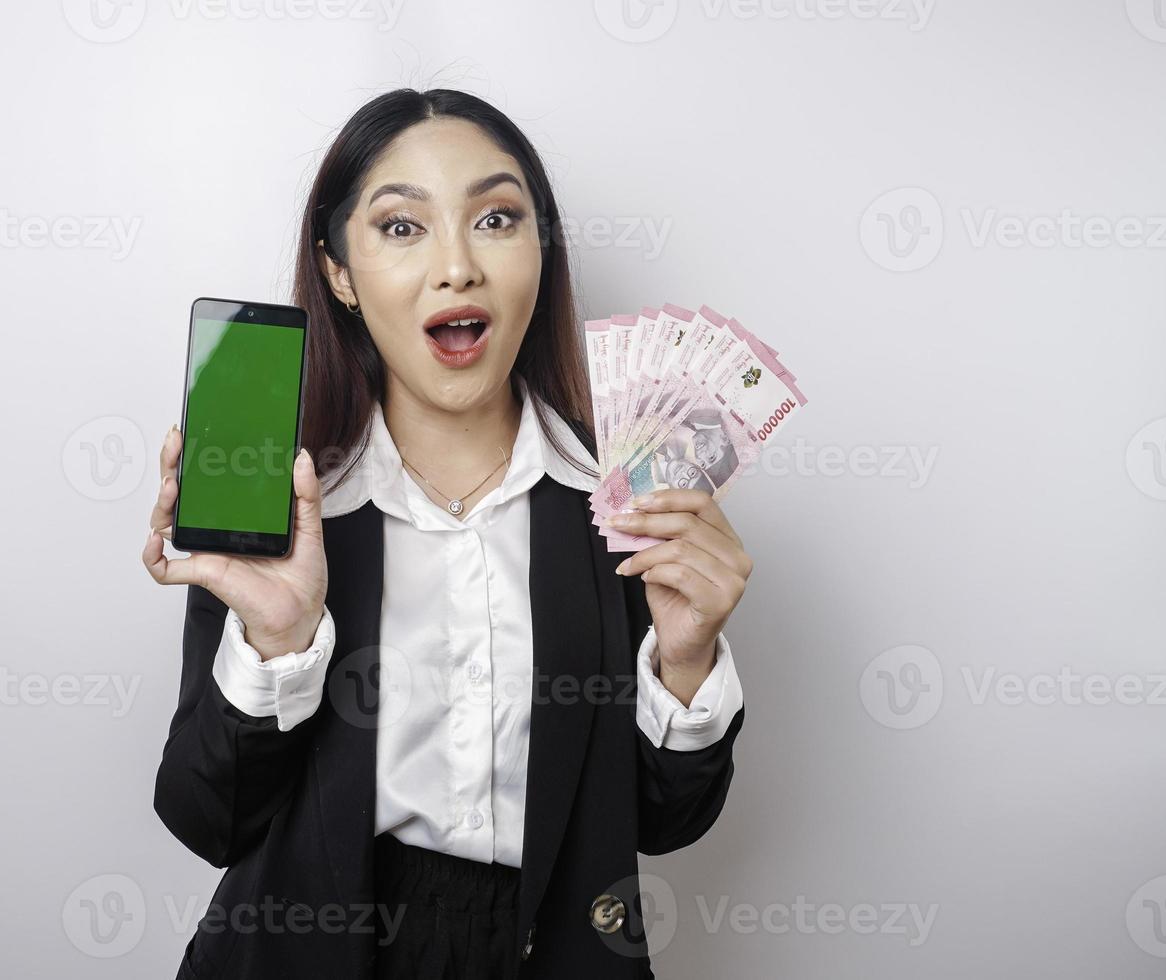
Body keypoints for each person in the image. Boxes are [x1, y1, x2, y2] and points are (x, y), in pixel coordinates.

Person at [143, 88, 751, 979]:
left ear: (538, 256)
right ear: (340, 273)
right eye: (401, 227)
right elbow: (206, 821)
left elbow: (666, 823)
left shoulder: (626, 503)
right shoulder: (276, 506)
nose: (457, 266)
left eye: (497, 218)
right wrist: (279, 643)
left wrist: (688, 658)